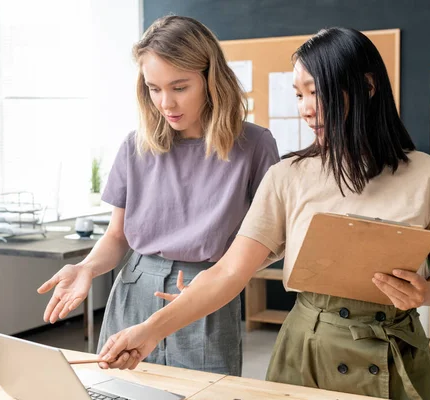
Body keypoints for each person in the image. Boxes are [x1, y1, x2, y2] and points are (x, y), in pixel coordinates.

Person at [97, 27, 430, 400]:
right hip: (306, 352)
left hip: (397, 353)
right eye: (299, 94)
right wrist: (148, 332)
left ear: (368, 87)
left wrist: (425, 293)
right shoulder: (287, 175)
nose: (305, 108)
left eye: (315, 92)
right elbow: (229, 270)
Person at [37, 15, 280, 376]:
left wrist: (221, 279)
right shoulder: (135, 146)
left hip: (205, 295)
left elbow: (272, 242)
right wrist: (87, 267)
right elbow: (117, 236)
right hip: (134, 289)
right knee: (117, 392)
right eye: (154, 88)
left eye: (179, 87)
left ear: (210, 79)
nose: (166, 103)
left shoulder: (255, 145)